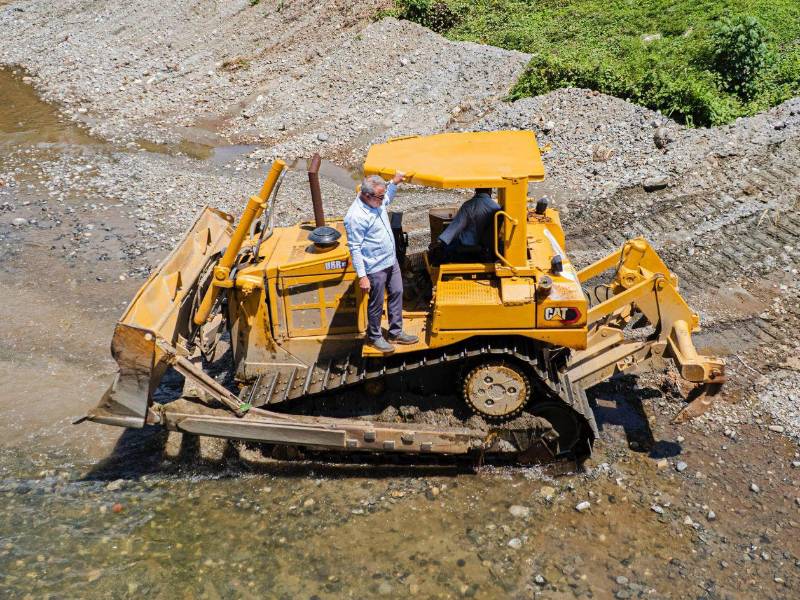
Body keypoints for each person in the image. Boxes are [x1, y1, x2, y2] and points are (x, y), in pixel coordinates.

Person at [344, 173, 419, 353]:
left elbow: (387, 199)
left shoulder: (376, 201)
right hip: (375, 267)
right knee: (376, 303)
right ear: (367, 195)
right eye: (380, 195)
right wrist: (362, 276)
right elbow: (354, 247)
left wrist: (394, 182)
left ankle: (395, 332)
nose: (383, 198)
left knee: (397, 292)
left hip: (390, 260)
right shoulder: (355, 217)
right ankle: (375, 336)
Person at [433, 188, 499, 262]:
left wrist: (440, 240)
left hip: (467, 246)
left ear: (476, 190)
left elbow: (456, 226)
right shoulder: (496, 207)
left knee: (446, 248)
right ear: (490, 191)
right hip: (488, 248)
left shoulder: (469, 205)